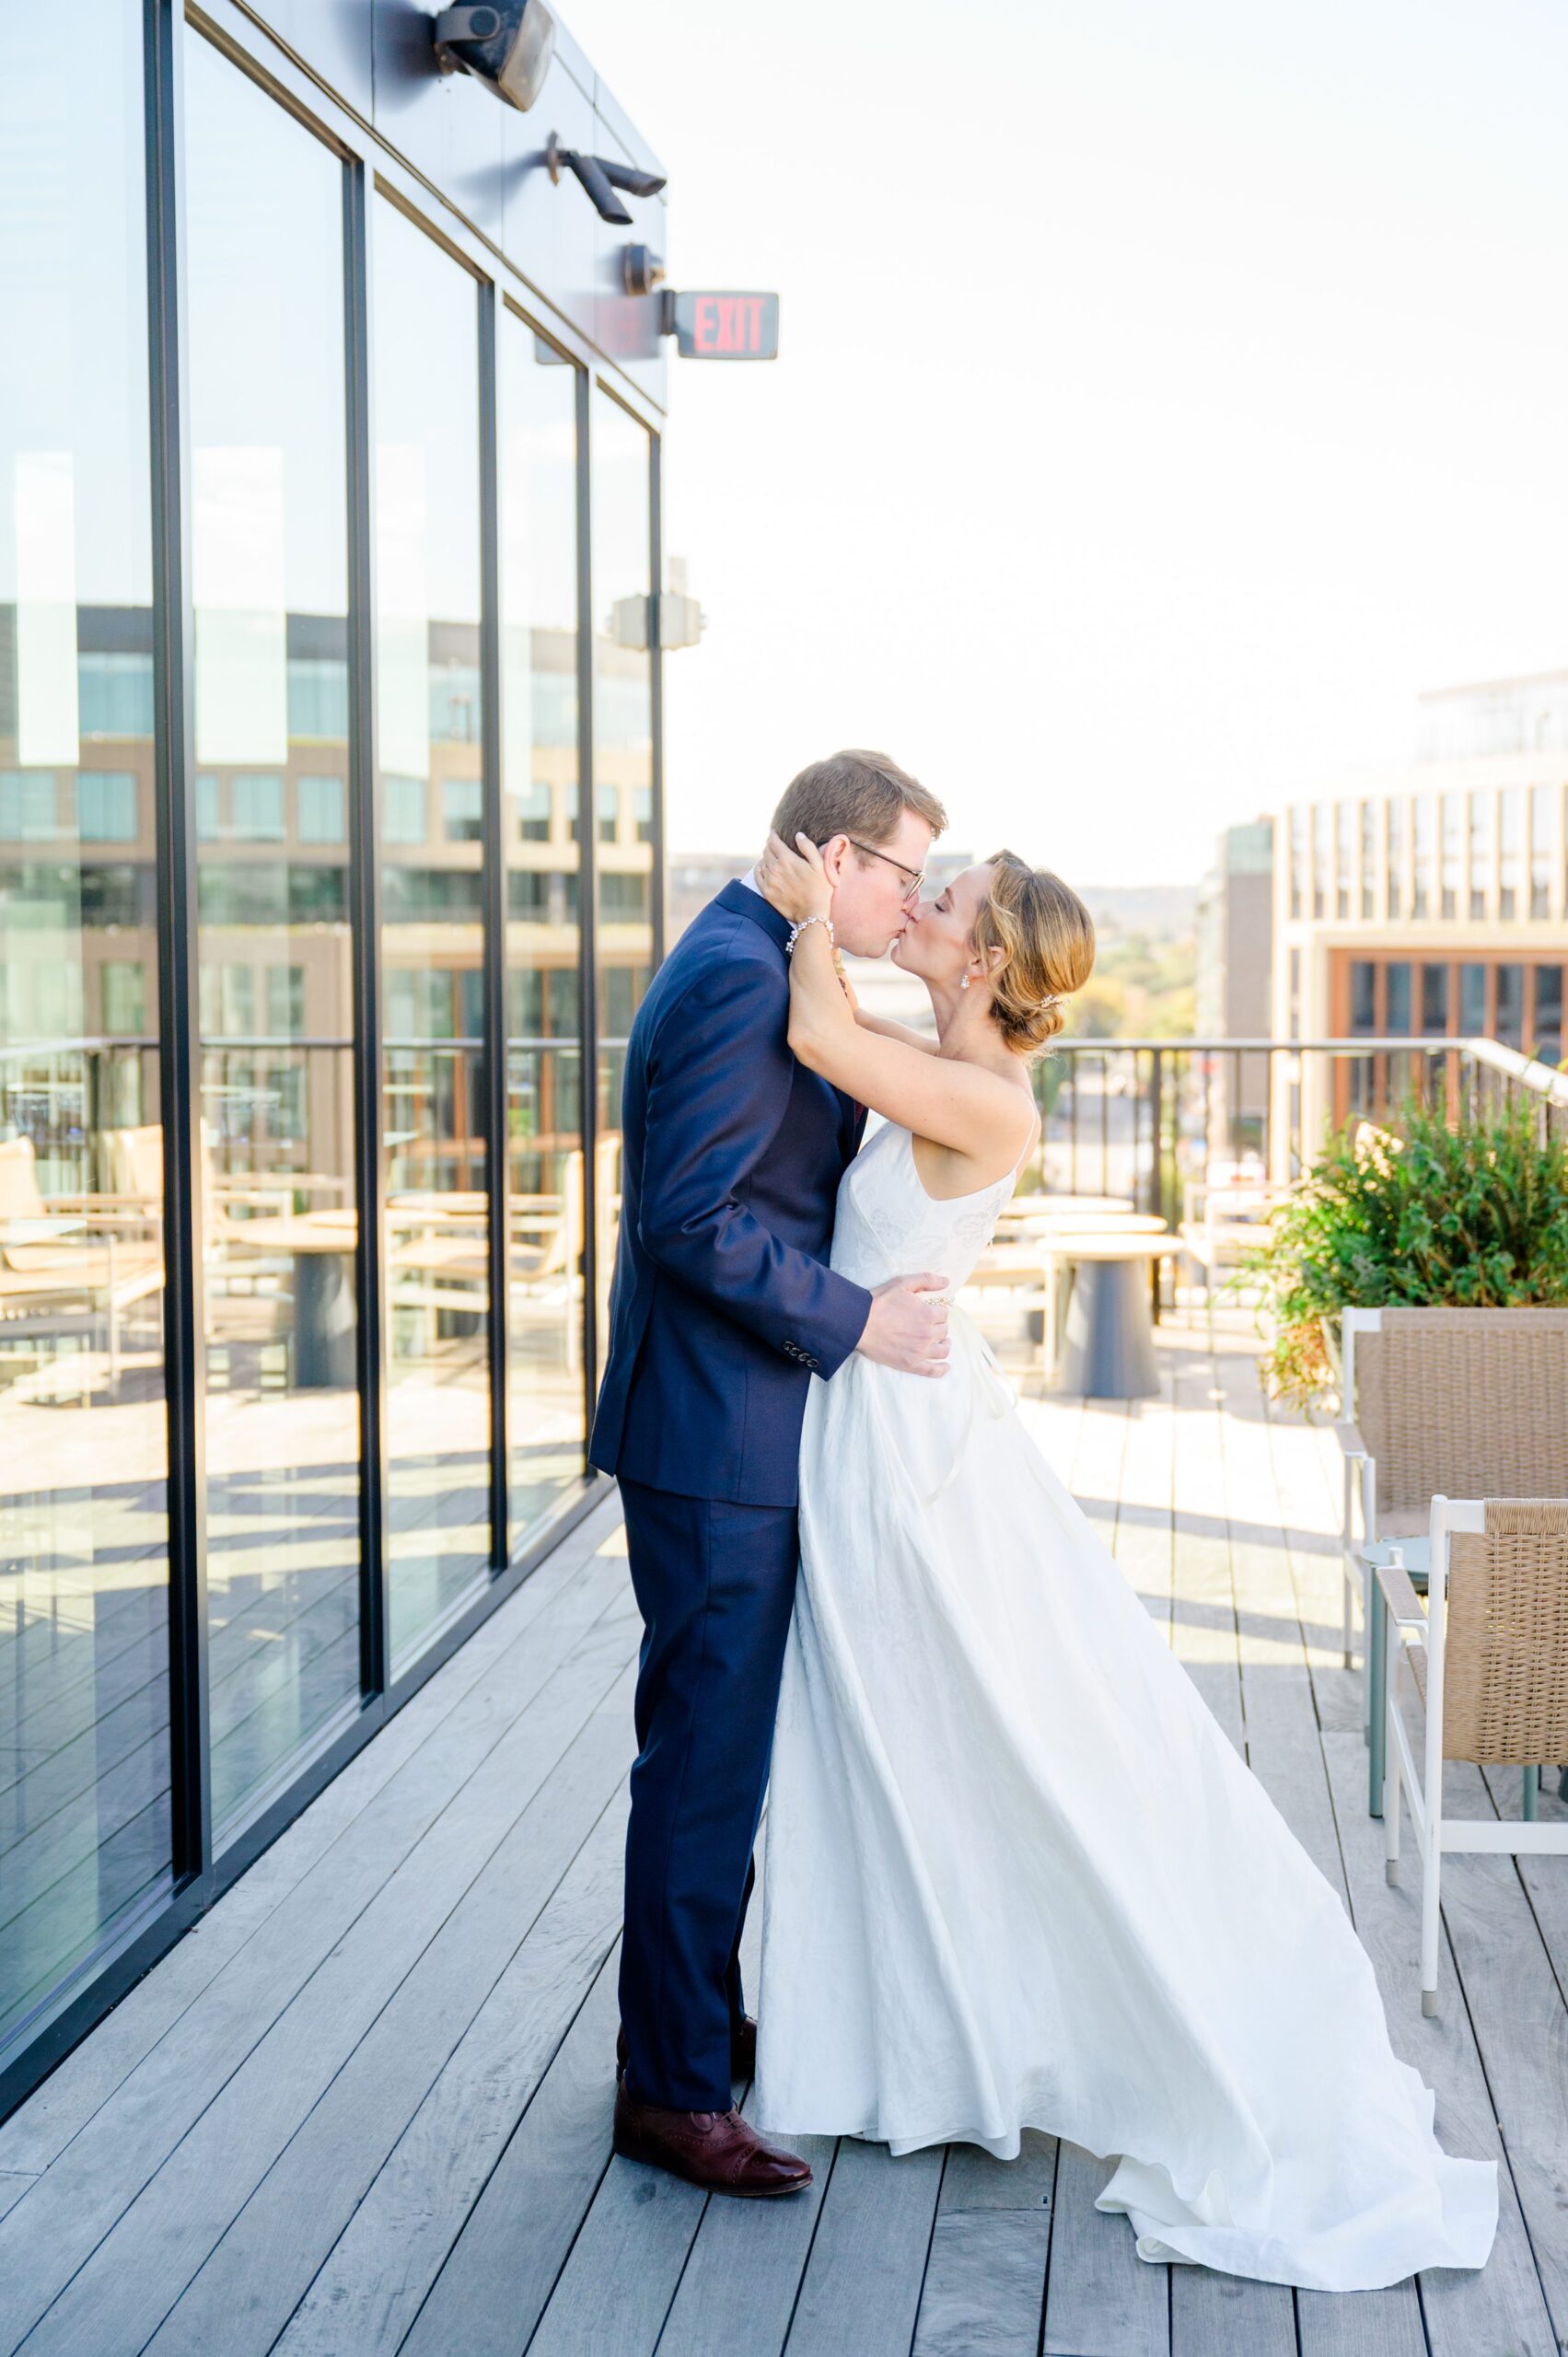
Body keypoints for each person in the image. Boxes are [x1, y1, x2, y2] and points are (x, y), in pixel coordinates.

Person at [748, 827, 1498, 2291]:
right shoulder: (944, 1050)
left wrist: (797, 906)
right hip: (883, 1419)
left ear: (988, 959)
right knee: (894, 1734)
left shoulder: (987, 1098)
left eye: (941, 898)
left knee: (957, 1730)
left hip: (906, 1452)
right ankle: (914, 2041)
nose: (918, 901)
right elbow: (845, 1033)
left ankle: (970, 2035)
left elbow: (812, 1022)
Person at [589, 749, 952, 2197]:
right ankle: (672, 2096)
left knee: (707, 1760)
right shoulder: (743, 976)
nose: (911, 898)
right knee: (699, 1774)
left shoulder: (754, 951)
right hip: (715, 1437)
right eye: (902, 872)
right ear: (827, 852)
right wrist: (858, 1323)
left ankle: (688, 2030)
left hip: (724, 1429)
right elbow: (690, 1217)